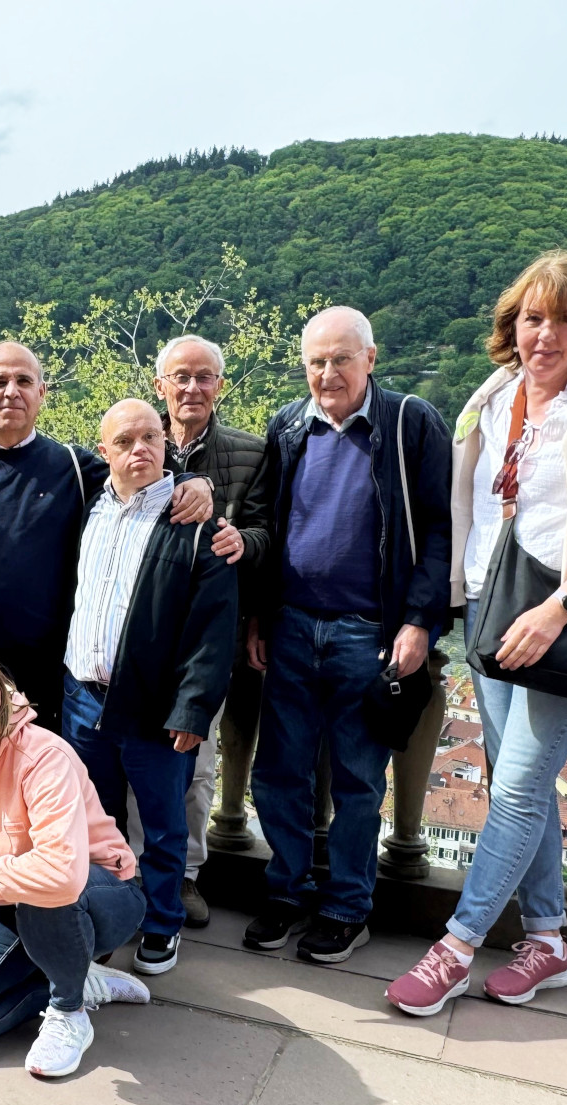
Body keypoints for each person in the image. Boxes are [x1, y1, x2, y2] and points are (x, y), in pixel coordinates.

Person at [386, 252, 567, 1016]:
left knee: (519, 788)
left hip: (566, 620)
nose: (545, 333)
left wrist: (562, 605)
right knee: (520, 788)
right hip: (495, 613)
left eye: (563, 319)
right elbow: (478, 510)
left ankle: (456, 948)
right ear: (511, 326)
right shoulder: (495, 400)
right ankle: (548, 940)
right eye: (532, 318)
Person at [246, 307, 452, 965]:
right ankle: (287, 891)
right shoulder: (288, 425)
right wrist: (260, 615)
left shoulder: (410, 422)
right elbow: (269, 526)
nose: (328, 373)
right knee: (279, 772)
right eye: (317, 361)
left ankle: (346, 907)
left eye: (341, 358)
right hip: (291, 625)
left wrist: (418, 620)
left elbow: (442, 529)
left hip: (370, 634)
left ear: (370, 358)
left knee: (359, 781)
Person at [0, 341, 212, 732]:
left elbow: (138, 473)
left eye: (23, 381)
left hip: (48, 671)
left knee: (45, 770)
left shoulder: (73, 466)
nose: (11, 392)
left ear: (41, 392)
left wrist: (191, 480)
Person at [0, 645, 153, 1079]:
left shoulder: (43, 756)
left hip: (97, 895)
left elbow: (60, 876)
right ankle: (77, 977)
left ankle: (68, 1009)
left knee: (43, 890)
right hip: (3, 895)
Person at [61, 399, 239, 974]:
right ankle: (107, 916)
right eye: (125, 441)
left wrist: (193, 710)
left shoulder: (196, 525)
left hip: (155, 705)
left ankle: (162, 923)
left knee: (163, 827)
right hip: (82, 697)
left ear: (166, 443)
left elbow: (214, 631)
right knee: (97, 820)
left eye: (150, 438)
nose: (139, 449)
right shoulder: (89, 509)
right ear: (104, 450)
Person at [152, 334, 270, 928]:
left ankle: (185, 874)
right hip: (141, 635)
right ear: (160, 386)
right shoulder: (137, 442)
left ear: (220, 385)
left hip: (208, 639)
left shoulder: (251, 452)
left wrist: (241, 541)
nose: (192, 388)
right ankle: (132, 870)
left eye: (204, 377)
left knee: (196, 764)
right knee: (134, 760)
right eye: (181, 377)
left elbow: (270, 533)